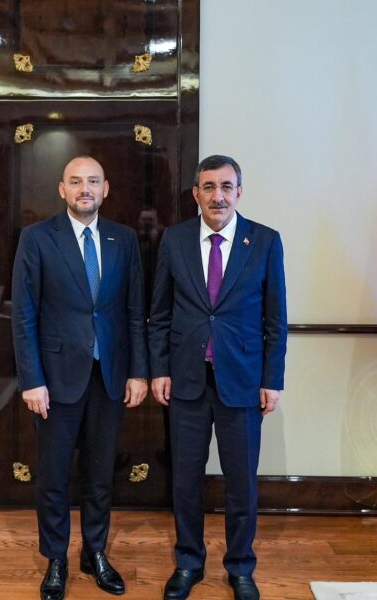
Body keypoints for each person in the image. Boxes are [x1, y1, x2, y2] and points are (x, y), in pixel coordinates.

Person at [12, 155, 149, 600]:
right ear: (62, 189)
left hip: (109, 377)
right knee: (53, 475)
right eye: (75, 182)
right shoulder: (37, 238)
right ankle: (56, 558)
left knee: (100, 473)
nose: (84, 189)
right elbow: (24, 316)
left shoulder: (123, 239)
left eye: (92, 181)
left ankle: (95, 552)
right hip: (55, 380)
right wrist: (31, 379)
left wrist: (138, 372)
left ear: (105, 189)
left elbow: (134, 311)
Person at [149, 155, 286, 600]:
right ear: (196, 194)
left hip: (242, 382)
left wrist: (272, 379)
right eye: (208, 187)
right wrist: (159, 369)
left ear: (239, 192)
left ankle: (241, 567)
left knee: (241, 483)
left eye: (226, 187)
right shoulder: (174, 240)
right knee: (185, 480)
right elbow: (159, 313)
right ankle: (188, 562)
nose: (218, 196)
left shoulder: (264, 241)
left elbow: (275, 320)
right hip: (186, 381)